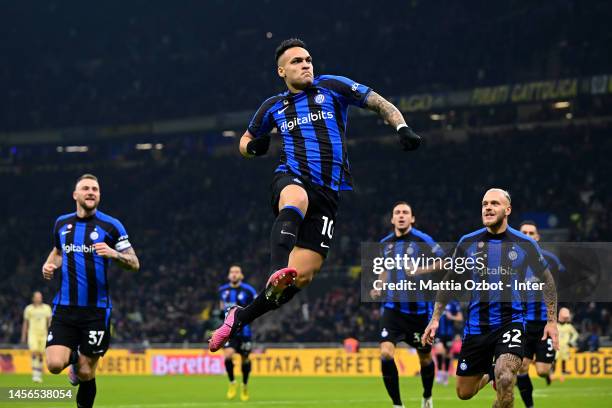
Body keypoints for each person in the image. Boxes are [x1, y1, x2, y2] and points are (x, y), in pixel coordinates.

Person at [209, 38, 422, 351]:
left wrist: (401, 127)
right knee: (296, 200)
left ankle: (240, 316)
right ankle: (274, 270)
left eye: (308, 59)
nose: (305, 64)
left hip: (328, 194)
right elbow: (245, 140)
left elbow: (377, 101)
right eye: (296, 61)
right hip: (292, 177)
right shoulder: (273, 106)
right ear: (281, 70)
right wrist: (253, 148)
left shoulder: (332, 87)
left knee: (303, 277)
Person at [422, 188, 559, 408]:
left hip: (510, 323)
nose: (488, 207)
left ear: (508, 209)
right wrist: (435, 318)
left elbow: (548, 280)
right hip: (476, 328)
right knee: (464, 393)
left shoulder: (525, 243)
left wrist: (551, 321)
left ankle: (498, 375)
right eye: (485, 204)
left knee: (506, 377)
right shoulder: (467, 242)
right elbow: (450, 280)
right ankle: (490, 374)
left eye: (494, 203)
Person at [42, 174, 139, 408]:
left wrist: (114, 253)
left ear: (99, 195)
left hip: (96, 311)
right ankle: (73, 359)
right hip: (65, 308)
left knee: (86, 372)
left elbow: (135, 263)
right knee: (54, 365)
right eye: (85, 188)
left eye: (95, 189)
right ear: (75, 195)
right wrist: (49, 265)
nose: (91, 192)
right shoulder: (61, 223)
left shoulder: (111, 225)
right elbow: (57, 251)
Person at [371, 202, 444, 408]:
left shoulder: (423, 240)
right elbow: (384, 269)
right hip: (392, 309)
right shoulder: (385, 243)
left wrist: (421, 270)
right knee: (385, 353)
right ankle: (397, 404)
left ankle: (427, 396)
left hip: (419, 312)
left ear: (412, 219)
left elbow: (444, 262)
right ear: (392, 219)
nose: (401, 216)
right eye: (397, 213)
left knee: (425, 359)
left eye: (405, 213)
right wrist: (379, 286)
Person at [516, 220, 566, 407]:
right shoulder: (511, 263)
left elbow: (565, 287)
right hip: (523, 324)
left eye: (531, 233)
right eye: (524, 233)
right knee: (521, 367)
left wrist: (564, 308)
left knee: (543, 371)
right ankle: (530, 405)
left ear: (537, 237)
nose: (528, 236)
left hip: (546, 324)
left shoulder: (551, 260)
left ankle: (544, 362)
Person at [218, 265, 257, 401]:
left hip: (244, 331)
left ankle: (245, 385)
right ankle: (232, 382)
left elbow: (256, 306)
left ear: (241, 275)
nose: (234, 274)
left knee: (245, 359)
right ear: (229, 275)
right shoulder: (222, 290)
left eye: (237, 272)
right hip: (229, 331)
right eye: (232, 272)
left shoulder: (249, 290)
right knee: (228, 355)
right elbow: (221, 307)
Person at [21, 291, 52, 383]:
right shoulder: (28, 309)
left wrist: (51, 334)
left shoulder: (47, 308)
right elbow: (25, 323)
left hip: (43, 334)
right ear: (33, 298)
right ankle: (35, 374)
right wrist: (23, 335)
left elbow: (49, 322)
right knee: (34, 352)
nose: (39, 298)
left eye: (40, 297)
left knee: (41, 354)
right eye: (37, 297)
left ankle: (39, 374)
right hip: (32, 333)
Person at [435, 300, 463, 386]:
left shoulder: (454, 303)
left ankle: (445, 375)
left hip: (449, 334)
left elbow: (460, 318)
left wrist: (451, 317)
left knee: (447, 354)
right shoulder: (436, 302)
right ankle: (439, 373)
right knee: (439, 351)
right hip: (438, 333)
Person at [556, 307, 579, 382]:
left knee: (564, 360)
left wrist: (571, 341)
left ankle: (563, 373)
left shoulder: (569, 327)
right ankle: (553, 372)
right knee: (554, 359)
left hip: (565, 346)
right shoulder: (556, 325)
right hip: (556, 345)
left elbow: (575, 334)